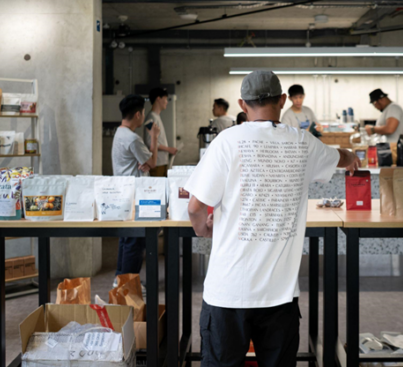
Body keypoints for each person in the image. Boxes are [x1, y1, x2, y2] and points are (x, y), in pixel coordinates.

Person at [184, 71, 360, 366]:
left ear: (242, 104)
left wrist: (203, 230)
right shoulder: (303, 142)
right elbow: (339, 156)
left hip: (228, 293)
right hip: (279, 297)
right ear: (282, 100)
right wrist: (351, 155)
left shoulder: (227, 141)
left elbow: (194, 207)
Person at [112, 94, 160, 287]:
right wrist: (154, 138)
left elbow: (145, 163)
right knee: (135, 241)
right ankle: (129, 283)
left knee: (126, 240)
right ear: (139, 114)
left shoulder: (119, 133)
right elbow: (153, 162)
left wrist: (144, 162)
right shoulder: (132, 139)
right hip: (134, 195)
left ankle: (120, 279)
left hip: (123, 193)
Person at [144, 88, 177, 177]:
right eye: (165, 99)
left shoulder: (156, 116)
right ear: (158, 99)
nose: (167, 102)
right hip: (157, 163)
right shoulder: (151, 117)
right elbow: (149, 141)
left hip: (161, 162)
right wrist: (168, 149)